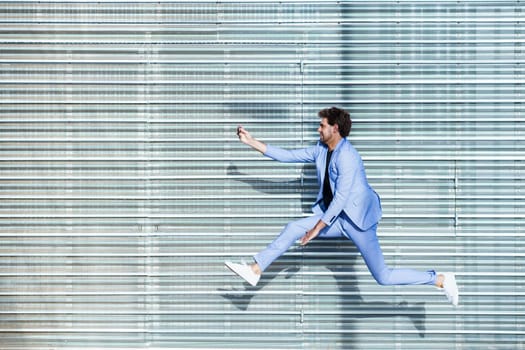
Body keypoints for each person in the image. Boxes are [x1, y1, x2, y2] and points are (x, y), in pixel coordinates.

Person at [225, 107, 459, 306]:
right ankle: (255, 270)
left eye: (322, 125)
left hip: (358, 220)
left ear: (334, 128)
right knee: (294, 227)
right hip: (336, 219)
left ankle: (438, 279)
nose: (318, 129)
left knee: (383, 277)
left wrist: (316, 229)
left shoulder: (348, 156)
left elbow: (341, 199)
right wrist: (251, 141)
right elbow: (288, 155)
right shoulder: (320, 150)